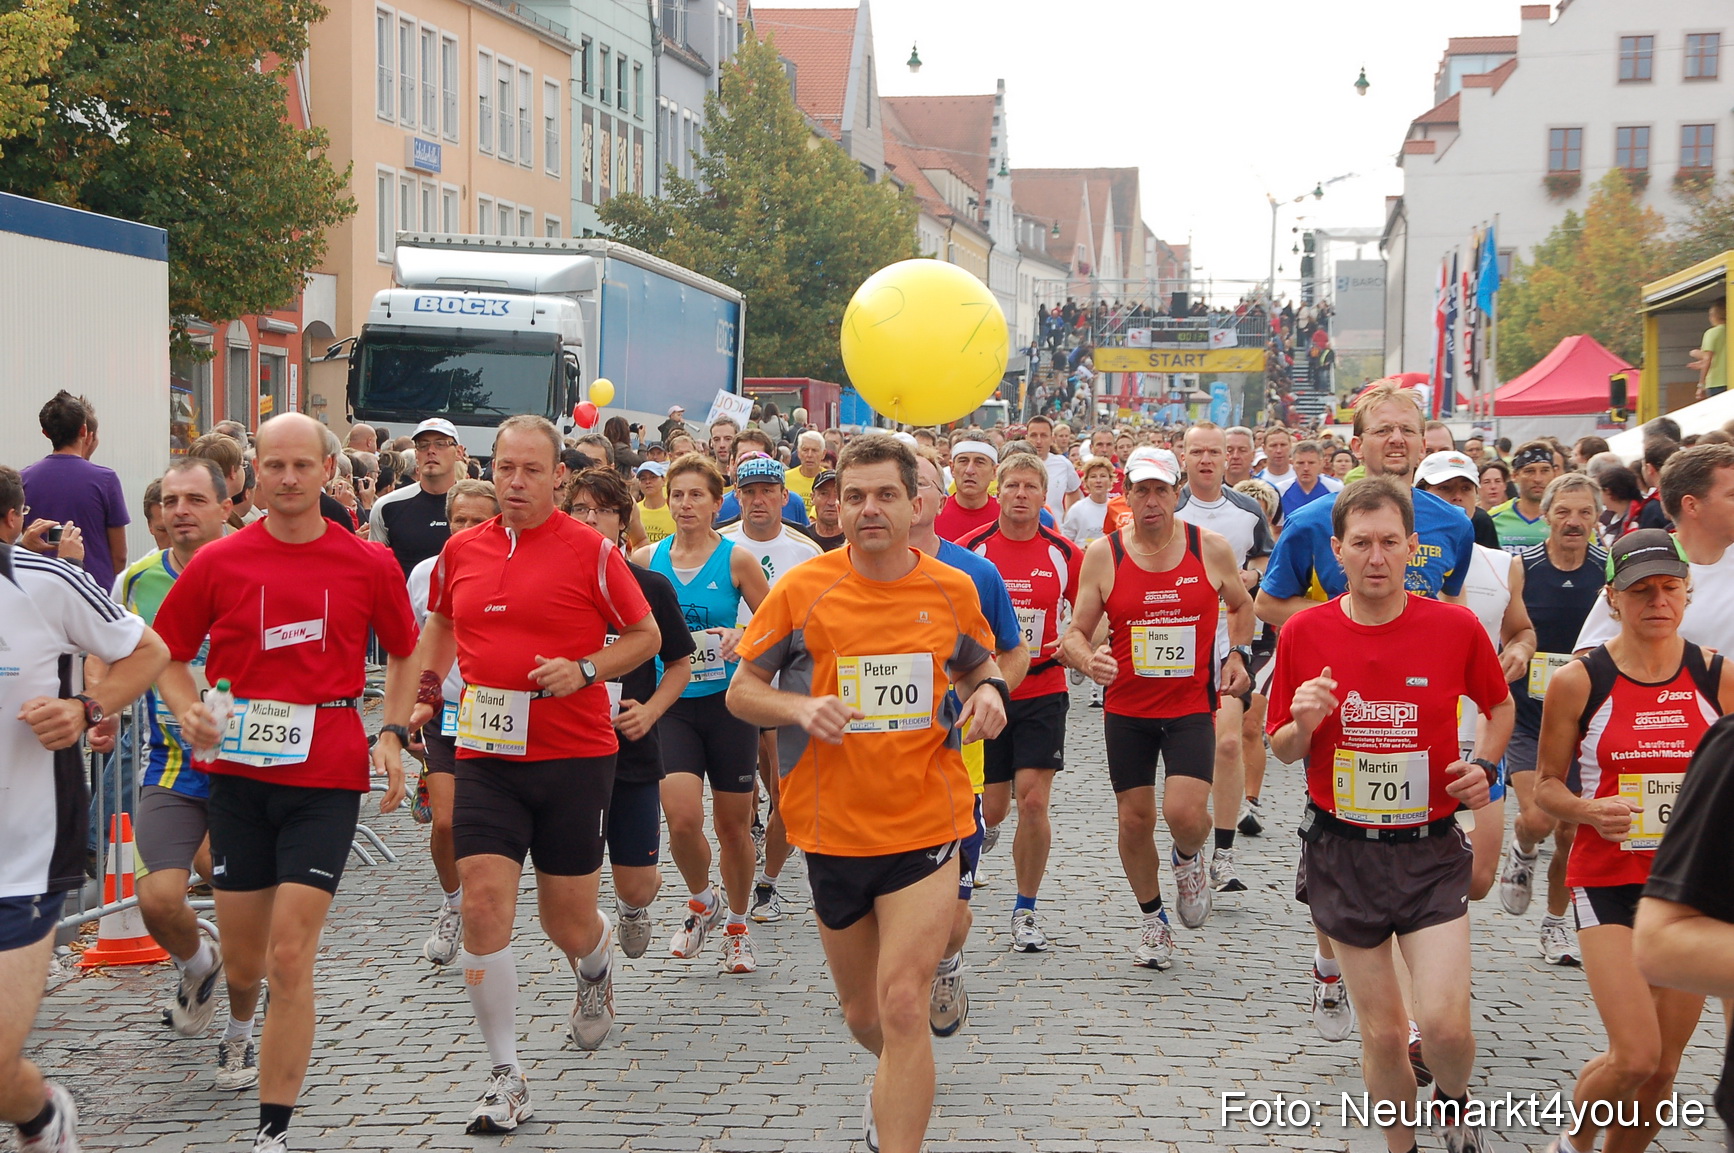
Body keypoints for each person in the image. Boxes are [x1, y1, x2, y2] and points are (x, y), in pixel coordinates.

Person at [728, 434, 1009, 1153]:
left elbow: (981, 669)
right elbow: (742, 691)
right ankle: (891, 1086)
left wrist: (990, 698)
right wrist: (798, 710)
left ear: (916, 502)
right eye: (853, 496)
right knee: (864, 1016)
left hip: (926, 821)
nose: (869, 508)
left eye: (885, 494)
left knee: (905, 1002)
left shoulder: (951, 587)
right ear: (835, 506)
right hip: (832, 830)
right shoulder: (802, 588)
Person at [153, 413, 420, 1153]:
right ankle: (240, 1018)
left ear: (328, 470)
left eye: (304, 465)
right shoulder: (219, 561)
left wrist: (392, 733)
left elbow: (404, 651)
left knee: (289, 954)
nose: (290, 478)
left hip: (326, 769)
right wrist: (188, 710)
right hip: (237, 776)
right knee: (244, 962)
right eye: (275, 466)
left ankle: (274, 1129)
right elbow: (167, 653)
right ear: (251, 474)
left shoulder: (366, 562)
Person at [385, 416, 659, 1133]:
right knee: (482, 904)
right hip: (486, 753)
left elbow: (645, 636)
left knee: (563, 917)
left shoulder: (593, 552)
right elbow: (440, 623)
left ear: (558, 476)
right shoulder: (460, 550)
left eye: (531, 470)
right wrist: (428, 683)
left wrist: (586, 668)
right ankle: (505, 1072)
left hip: (573, 755)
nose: (514, 481)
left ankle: (594, 966)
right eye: (505, 467)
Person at [1267, 477, 1511, 1153]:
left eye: (1390, 542)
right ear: (1336, 551)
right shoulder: (1306, 631)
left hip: (1430, 848)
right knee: (1382, 1034)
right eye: (1361, 543)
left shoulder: (1453, 626)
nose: (1376, 556)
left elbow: (1501, 706)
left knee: (1445, 1028)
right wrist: (1305, 720)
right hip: (1343, 853)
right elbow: (1282, 747)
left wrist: (1485, 766)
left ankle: (1456, 1103)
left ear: (1412, 548)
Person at [1254, 382, 1476, 1043]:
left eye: (1409, 429)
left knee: (1439, 854)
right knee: (1343, 839)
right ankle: (1350, 977)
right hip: (1337, 712)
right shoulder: (1311, 521)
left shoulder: (1454, 523)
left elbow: (1457, 607)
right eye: (1383, 430)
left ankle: (1420, 1005)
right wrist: (1344, 632)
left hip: (1424, 713)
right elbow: (1269, 605)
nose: (1398, 441)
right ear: (1357, 444)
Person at [1535, 528, 1732, 1153]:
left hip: (1688, 892)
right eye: (1640, 590)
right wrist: (1590, 809)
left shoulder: (1718, 676)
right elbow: (1545, 788)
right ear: (1612, 599)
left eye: (1670, 587)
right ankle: (1573, 1142)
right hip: (1608, 881)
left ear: (1687, 591)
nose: (1658, 601)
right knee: (1636, 1055)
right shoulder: (1579, 680)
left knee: (1664, 1073)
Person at [0, 466, 169, 1153]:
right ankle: (36, 1117)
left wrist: (85, 707)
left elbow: (147, 650)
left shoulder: (44, 583)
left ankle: (41, 1116)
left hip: (25, 853)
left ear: (11, 521)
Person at [1060, 447, 1253, 969]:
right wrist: (1089, 659)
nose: (1151, 501)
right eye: (1141, 490)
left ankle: (1188, 858)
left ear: (1176, 493)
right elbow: (1074, 634)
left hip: (1190, 703)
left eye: (1161, 490)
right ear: (1126, 494)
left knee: (1185, 814)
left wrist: (1237, 653)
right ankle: (1153, 921)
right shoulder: (1105, 554)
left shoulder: (1207, 548)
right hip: (1127, 708)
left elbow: (1241, 605)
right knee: (1135, 819)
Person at [111, 458, 256, 1088]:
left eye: (195, 499)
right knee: (158, 899)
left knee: (241, 908)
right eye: (170, 501)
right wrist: (100, 708)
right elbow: (110, 655)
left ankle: (241, 1038)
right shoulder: (136, 580)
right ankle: (200, 964)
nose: (179, 512)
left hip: (250, 769)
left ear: (227, 506)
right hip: (172, 765)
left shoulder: (258, 566)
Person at [905, 449, 1027, 1035]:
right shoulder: (841, 574)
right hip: (872, 769)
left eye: (919, 485)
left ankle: (948, 961)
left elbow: (1013, 648)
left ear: (930, 498)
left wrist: (993, 694)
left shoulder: (973, 574)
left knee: (951, 914)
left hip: (957, 764)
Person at [633, 453, 769, 974]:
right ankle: (702, 900)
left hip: (728, 705)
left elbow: (776, 622)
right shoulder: (647, 560)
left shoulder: (736, 560)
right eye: (678, 494)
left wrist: (742, 635)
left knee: (734, 827)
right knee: (682, 820)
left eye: (697, 496)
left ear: (718, 503)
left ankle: (737, 924)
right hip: (672, 705)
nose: (685, 504)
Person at [561, 468, 695, 961]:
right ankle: (592, 975)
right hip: (567, 751)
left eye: (603, 510)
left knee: (637, 886)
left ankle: (633, 908)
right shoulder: (550, 584)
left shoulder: (650, 586)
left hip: (631, 747)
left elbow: (680, 663)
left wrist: (653, 711)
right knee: (572, 892)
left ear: (624, 521)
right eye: (580, 509)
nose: (590, 518)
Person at [962, 453, 1081, 953]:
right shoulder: (974, 550)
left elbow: (1088, 610)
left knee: (1033, 799)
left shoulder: (1063, 552)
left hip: (1043, 688)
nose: (1020, 495)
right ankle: (981, 834)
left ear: (1043, 493)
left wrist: (1078, 645)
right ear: (999, 488)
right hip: (987, 691)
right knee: (995, 805)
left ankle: (1025, 910)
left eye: (1031, 486)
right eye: (1012, 485)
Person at [1414, 450, 1538, 904]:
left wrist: (1521, 650)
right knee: (1403, 856)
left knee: (1478, 877)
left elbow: (1521, 629)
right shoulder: (1403, 557)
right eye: (1445, 489)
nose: (1458, 498)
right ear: (1422, 496)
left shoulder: (1502, 565)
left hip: (1480, 730)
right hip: (1411, 727)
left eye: (1464, 488)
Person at [1495, 474, 1606, 967]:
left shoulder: (1608, 571)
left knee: (1571, 831)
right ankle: (1521, 846)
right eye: (1564, 512)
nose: (1574, 522)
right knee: (1540, 817)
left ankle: (1556, 923)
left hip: (1584, 721)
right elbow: (1504, 630)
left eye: (1584, 513)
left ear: (1597, 519)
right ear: (1546, 514)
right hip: (1527, 714)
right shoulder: (1522, 569)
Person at [716, 455, 823, 923]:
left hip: (783, 690)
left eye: (767, 491)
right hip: (725, 689)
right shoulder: (719, 546)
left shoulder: (806, 553)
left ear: (785, 497)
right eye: (749, 492)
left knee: (785, 791)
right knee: (744, 796)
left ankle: (769, 883)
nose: (758, 500)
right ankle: (742, 862)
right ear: (737, 496)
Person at [402, 479, 499, 968]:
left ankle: (490, 911)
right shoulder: (424, 573)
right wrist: (409, 711)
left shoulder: (511, 568)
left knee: (490, 828)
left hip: (503, 713)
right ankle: (454, 902)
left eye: (477, 521)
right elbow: (413, 644)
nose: (465, 530)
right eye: (457, 520)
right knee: (445, 822)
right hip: (445, 710)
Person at [1175, 423, 1273, 894]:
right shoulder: (1169, 507)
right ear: (1185, 457)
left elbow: (1267, 563)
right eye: (1198, 452)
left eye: (1215, 452)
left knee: (1230, 742)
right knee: (1187, 747)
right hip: (1176, 640)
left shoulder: (1247, 509)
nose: (1208, 460)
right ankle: (1188, 845)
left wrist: (1248, 577)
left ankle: (1225, 853)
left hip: (1232, 634)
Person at [1576, 444, 1734, 655]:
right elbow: (1585, 657)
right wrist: (1678, 664)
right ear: (1691, 505)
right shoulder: (1644, 563)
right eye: (1732, 495)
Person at [20, 391, 130, 580]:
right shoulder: (105, 479)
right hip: (95, 590)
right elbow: (119, 555)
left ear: (45, 433)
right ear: (84, 431)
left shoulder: (24, 479)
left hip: (41, 588)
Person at [370, 418, 467, 577]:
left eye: (441, 444)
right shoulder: (388, 506)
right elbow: (375, 569)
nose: (431, 450)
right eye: (423, 445)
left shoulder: (476, 505)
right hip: (405, 600)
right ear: (416, 455)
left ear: (458, 452)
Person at [1489, 441, 1557, 555]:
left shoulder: (1567, 518)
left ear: (1554, 474)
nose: (1538, 479)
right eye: (1530, 471)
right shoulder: (1493, 518)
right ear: (1515, 476)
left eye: (1545, 471)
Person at [935, 441, 1002, 542]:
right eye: (963, 461)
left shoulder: (1006, 515)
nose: (969, 470)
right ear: (952, 468)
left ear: (994, 471)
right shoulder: (933, 513)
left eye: (979, 462)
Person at [1026, 415, 1080, 517]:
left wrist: (1068, 518)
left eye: (1043, 435)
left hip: (1054, 529)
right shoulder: (1016, 465)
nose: (1038, 441)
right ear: (1026, 438)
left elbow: (1073, 491)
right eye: (1033, 435)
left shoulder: (1064, 464)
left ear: (1052, 439)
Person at [1280, 440, 1341, 519]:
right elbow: (1277, 529)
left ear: (1321, 463)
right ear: (1292, 463)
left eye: (1311, 463)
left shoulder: (1335, 489)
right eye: (1300, 463)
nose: (1306, 468)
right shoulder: (1281, 491)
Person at [1062, 457, 1114, 547]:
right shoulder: (1076, 510)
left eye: (1103, 476)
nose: (1098, 481)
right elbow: (1066, 542)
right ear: (1086, 482)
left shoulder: (1115, 508)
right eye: (1093, 477)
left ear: (1110, 481)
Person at [785, 430, 828, 514]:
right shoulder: (785, 478)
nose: (809, 455)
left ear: (823, 454)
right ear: (798, 453)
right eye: (805, 450)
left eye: (815, 450)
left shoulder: (830, 481)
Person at [1691, 300, 1726, 401]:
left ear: (1714, 316)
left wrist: (1701, 385)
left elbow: (1708, 359)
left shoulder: (1711, 333)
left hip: (1716, 381)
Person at [634, 460, 675, 544]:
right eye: (643, 479)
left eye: (653, 477)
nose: (648, 482)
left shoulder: (674, 509)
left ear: (663, 480)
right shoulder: (634, 510)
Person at [808, 469, 845, 550]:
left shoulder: (853, 541)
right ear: (812, 497)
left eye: (837, 495)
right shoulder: (803, 539)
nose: (831, 502)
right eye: (824, 494)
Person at [1255, 426, 1297, 493]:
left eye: (1283, 445)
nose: (1279, 450)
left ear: (1290, 446)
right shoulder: (1257, 482)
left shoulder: (1300, 477)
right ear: (1264, 448)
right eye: (1273, 445)